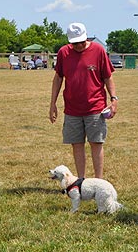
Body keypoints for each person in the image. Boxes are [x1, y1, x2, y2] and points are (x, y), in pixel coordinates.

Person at [49, 22, 117, 179]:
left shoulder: (99, 50)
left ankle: (98, 182)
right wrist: (52, 103)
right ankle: (81, 181)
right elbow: (58, 77)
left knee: (96, 143)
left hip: (95, 107)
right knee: (77, 144)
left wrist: (114, 98)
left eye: (81, 41)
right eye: (75, 43)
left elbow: (108, 76)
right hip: (72, 109)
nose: (79, 45)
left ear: (86, 37)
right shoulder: (63, 53)